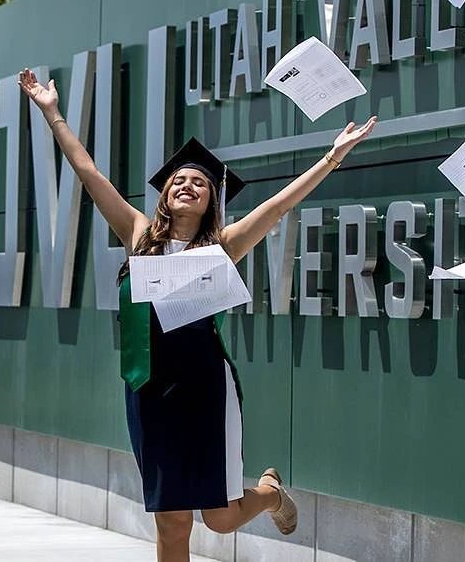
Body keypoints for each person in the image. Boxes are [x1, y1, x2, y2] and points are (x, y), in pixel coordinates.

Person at [19, 68, 376, 562]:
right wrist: (52, 113)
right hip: (149, 388)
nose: (187, 185)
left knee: (221, 518)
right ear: (165, 193)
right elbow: (89, 175)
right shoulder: (138, 234)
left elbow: (275, 208)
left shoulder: (224, 247)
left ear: (211, 201)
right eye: (178, 180)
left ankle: (269, 493)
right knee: (171, 524)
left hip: (206, 386)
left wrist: (331, 159)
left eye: (199, 184)